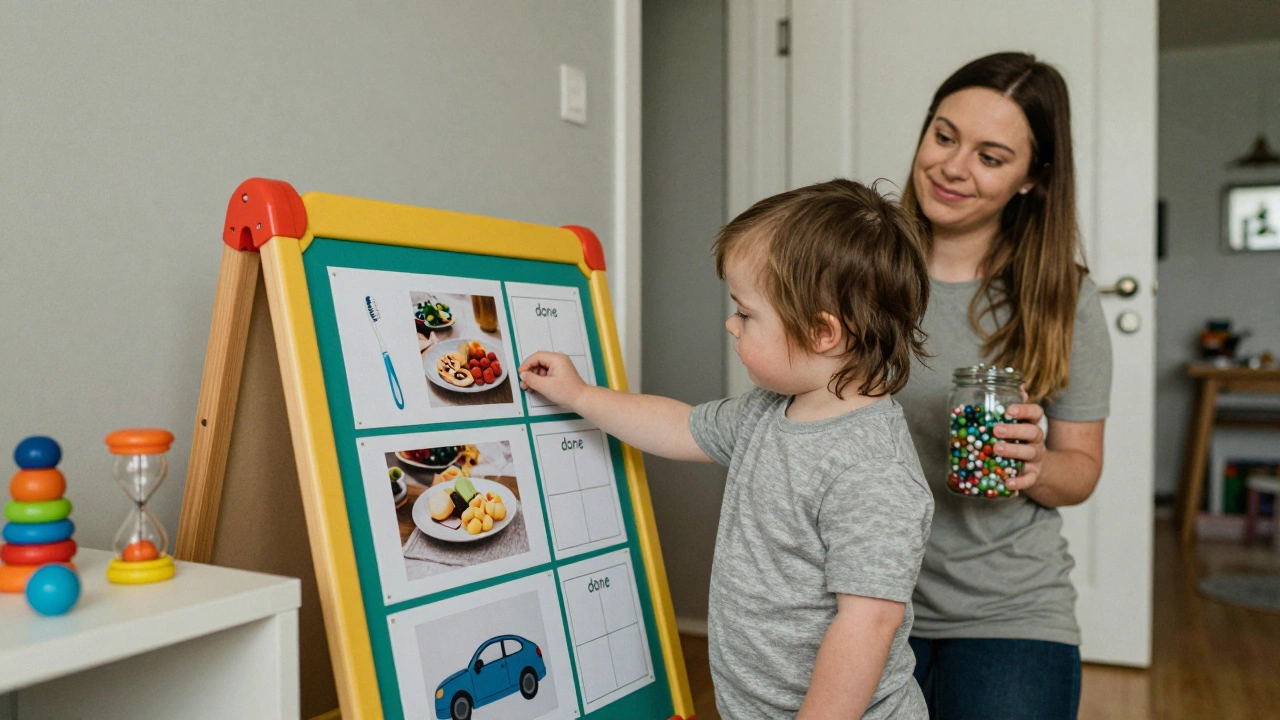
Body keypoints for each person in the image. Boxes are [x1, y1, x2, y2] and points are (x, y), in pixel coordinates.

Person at [520, 179, 934, 719]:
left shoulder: (872, 470)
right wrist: (579, 395)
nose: (731, 324)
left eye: (746, 313)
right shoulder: (770, 410)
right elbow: (680, 426)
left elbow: (867, 626)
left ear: (821, 331)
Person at [894, 52, 1113, 719]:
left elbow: (1081, 472)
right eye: (944, 135)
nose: (953, 167)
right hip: (863, 597)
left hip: (1007, 610)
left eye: (991, 157)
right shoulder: (860, 267)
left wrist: (1037, 463)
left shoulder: (1059, 296)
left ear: (1033, 179)